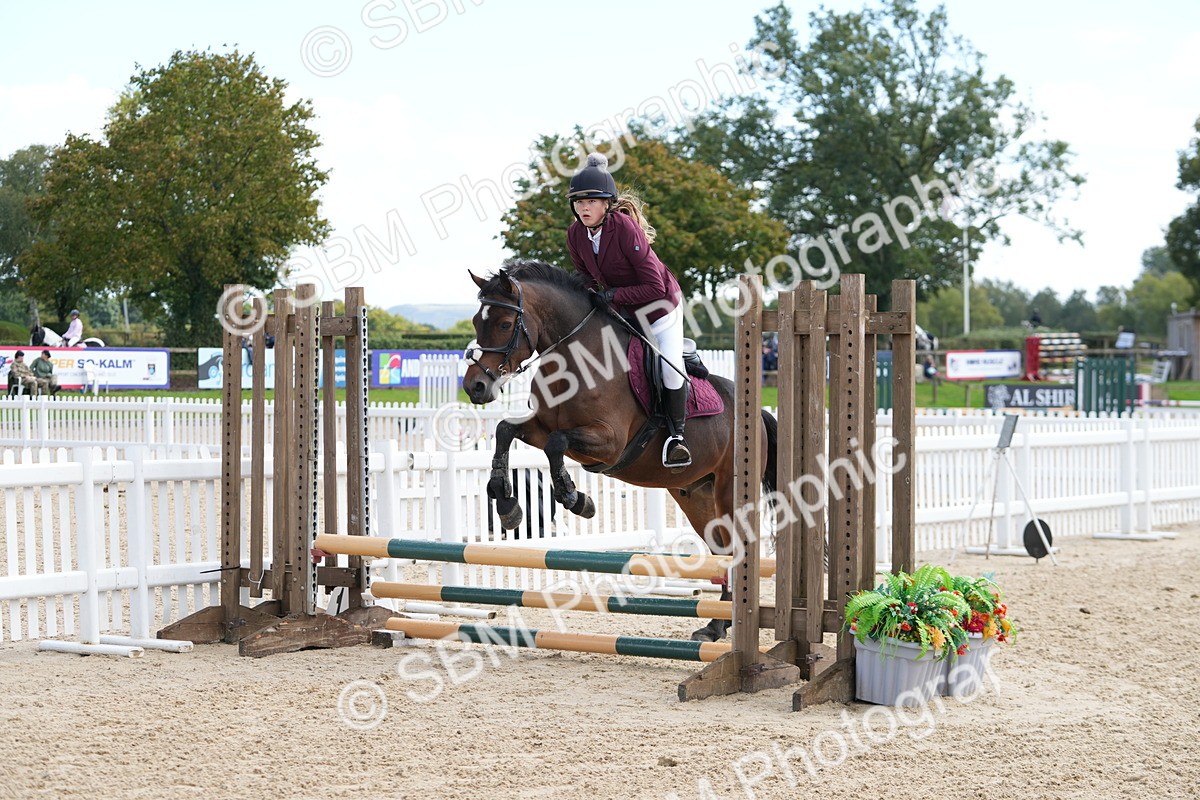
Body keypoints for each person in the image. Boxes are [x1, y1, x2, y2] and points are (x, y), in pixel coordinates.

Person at [565, 152, 691, 469]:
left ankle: (677, 437)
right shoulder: (575, 234)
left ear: (607, 204)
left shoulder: (623, 229)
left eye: (591, 201)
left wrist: (612, 295)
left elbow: (655, 287)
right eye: (578, 202)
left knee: (669, 366)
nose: (583, 207)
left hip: (661, 307)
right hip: (624, 310)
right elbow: (584, 277)